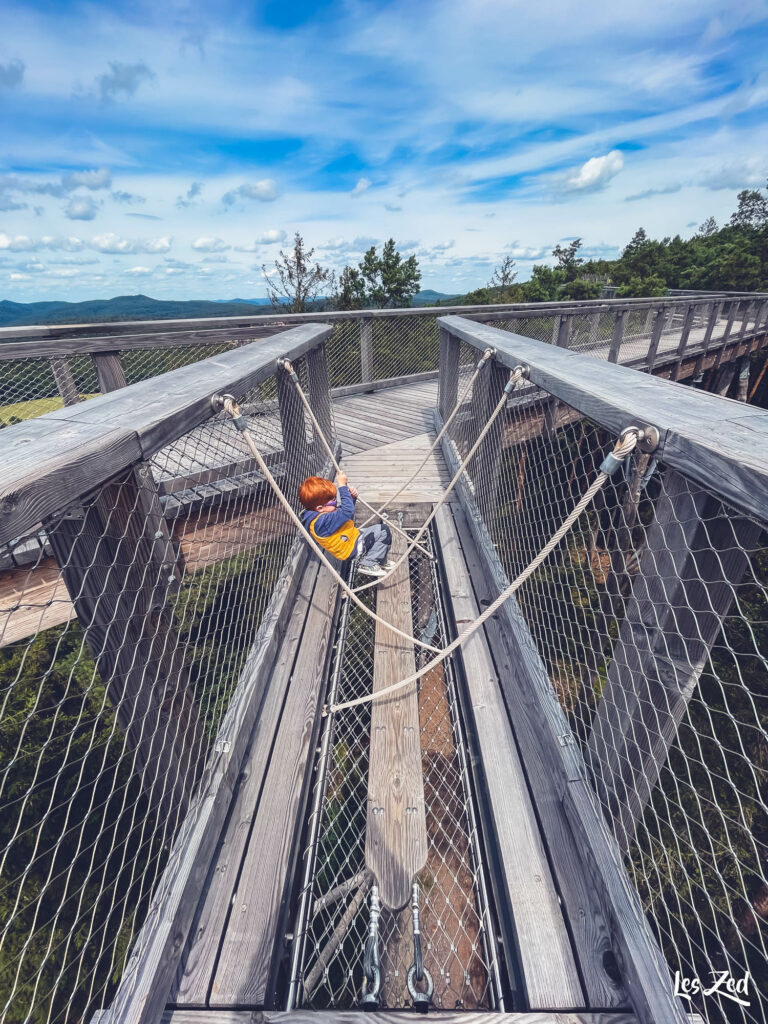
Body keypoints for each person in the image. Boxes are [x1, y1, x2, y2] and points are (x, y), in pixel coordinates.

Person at [298, 471, 394, 580]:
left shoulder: (321, 515)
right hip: (351, 548)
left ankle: (379, 559)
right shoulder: (321, 523)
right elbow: (347, 512)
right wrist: (342, 486)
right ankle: (368, 563)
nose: (335, 503)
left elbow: (342, 515)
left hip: (351, 537)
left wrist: (351, 498)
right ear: (319, 508)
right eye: (333, 502)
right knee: (383, 531)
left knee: (377, 531)